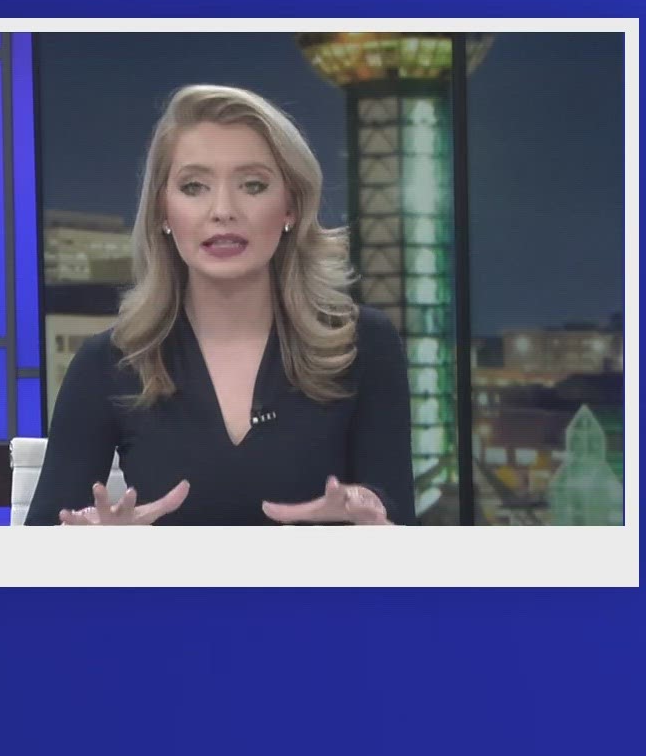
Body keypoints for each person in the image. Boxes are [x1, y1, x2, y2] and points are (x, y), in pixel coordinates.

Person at [26, 84, 414, 526]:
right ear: (162, 213)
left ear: (291, 206)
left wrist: (377, 530)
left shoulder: (363, 345)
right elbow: (36, 555)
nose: (223, 210)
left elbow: (407, 543)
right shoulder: (108, 363)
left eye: (252, 185)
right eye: (194, 186)